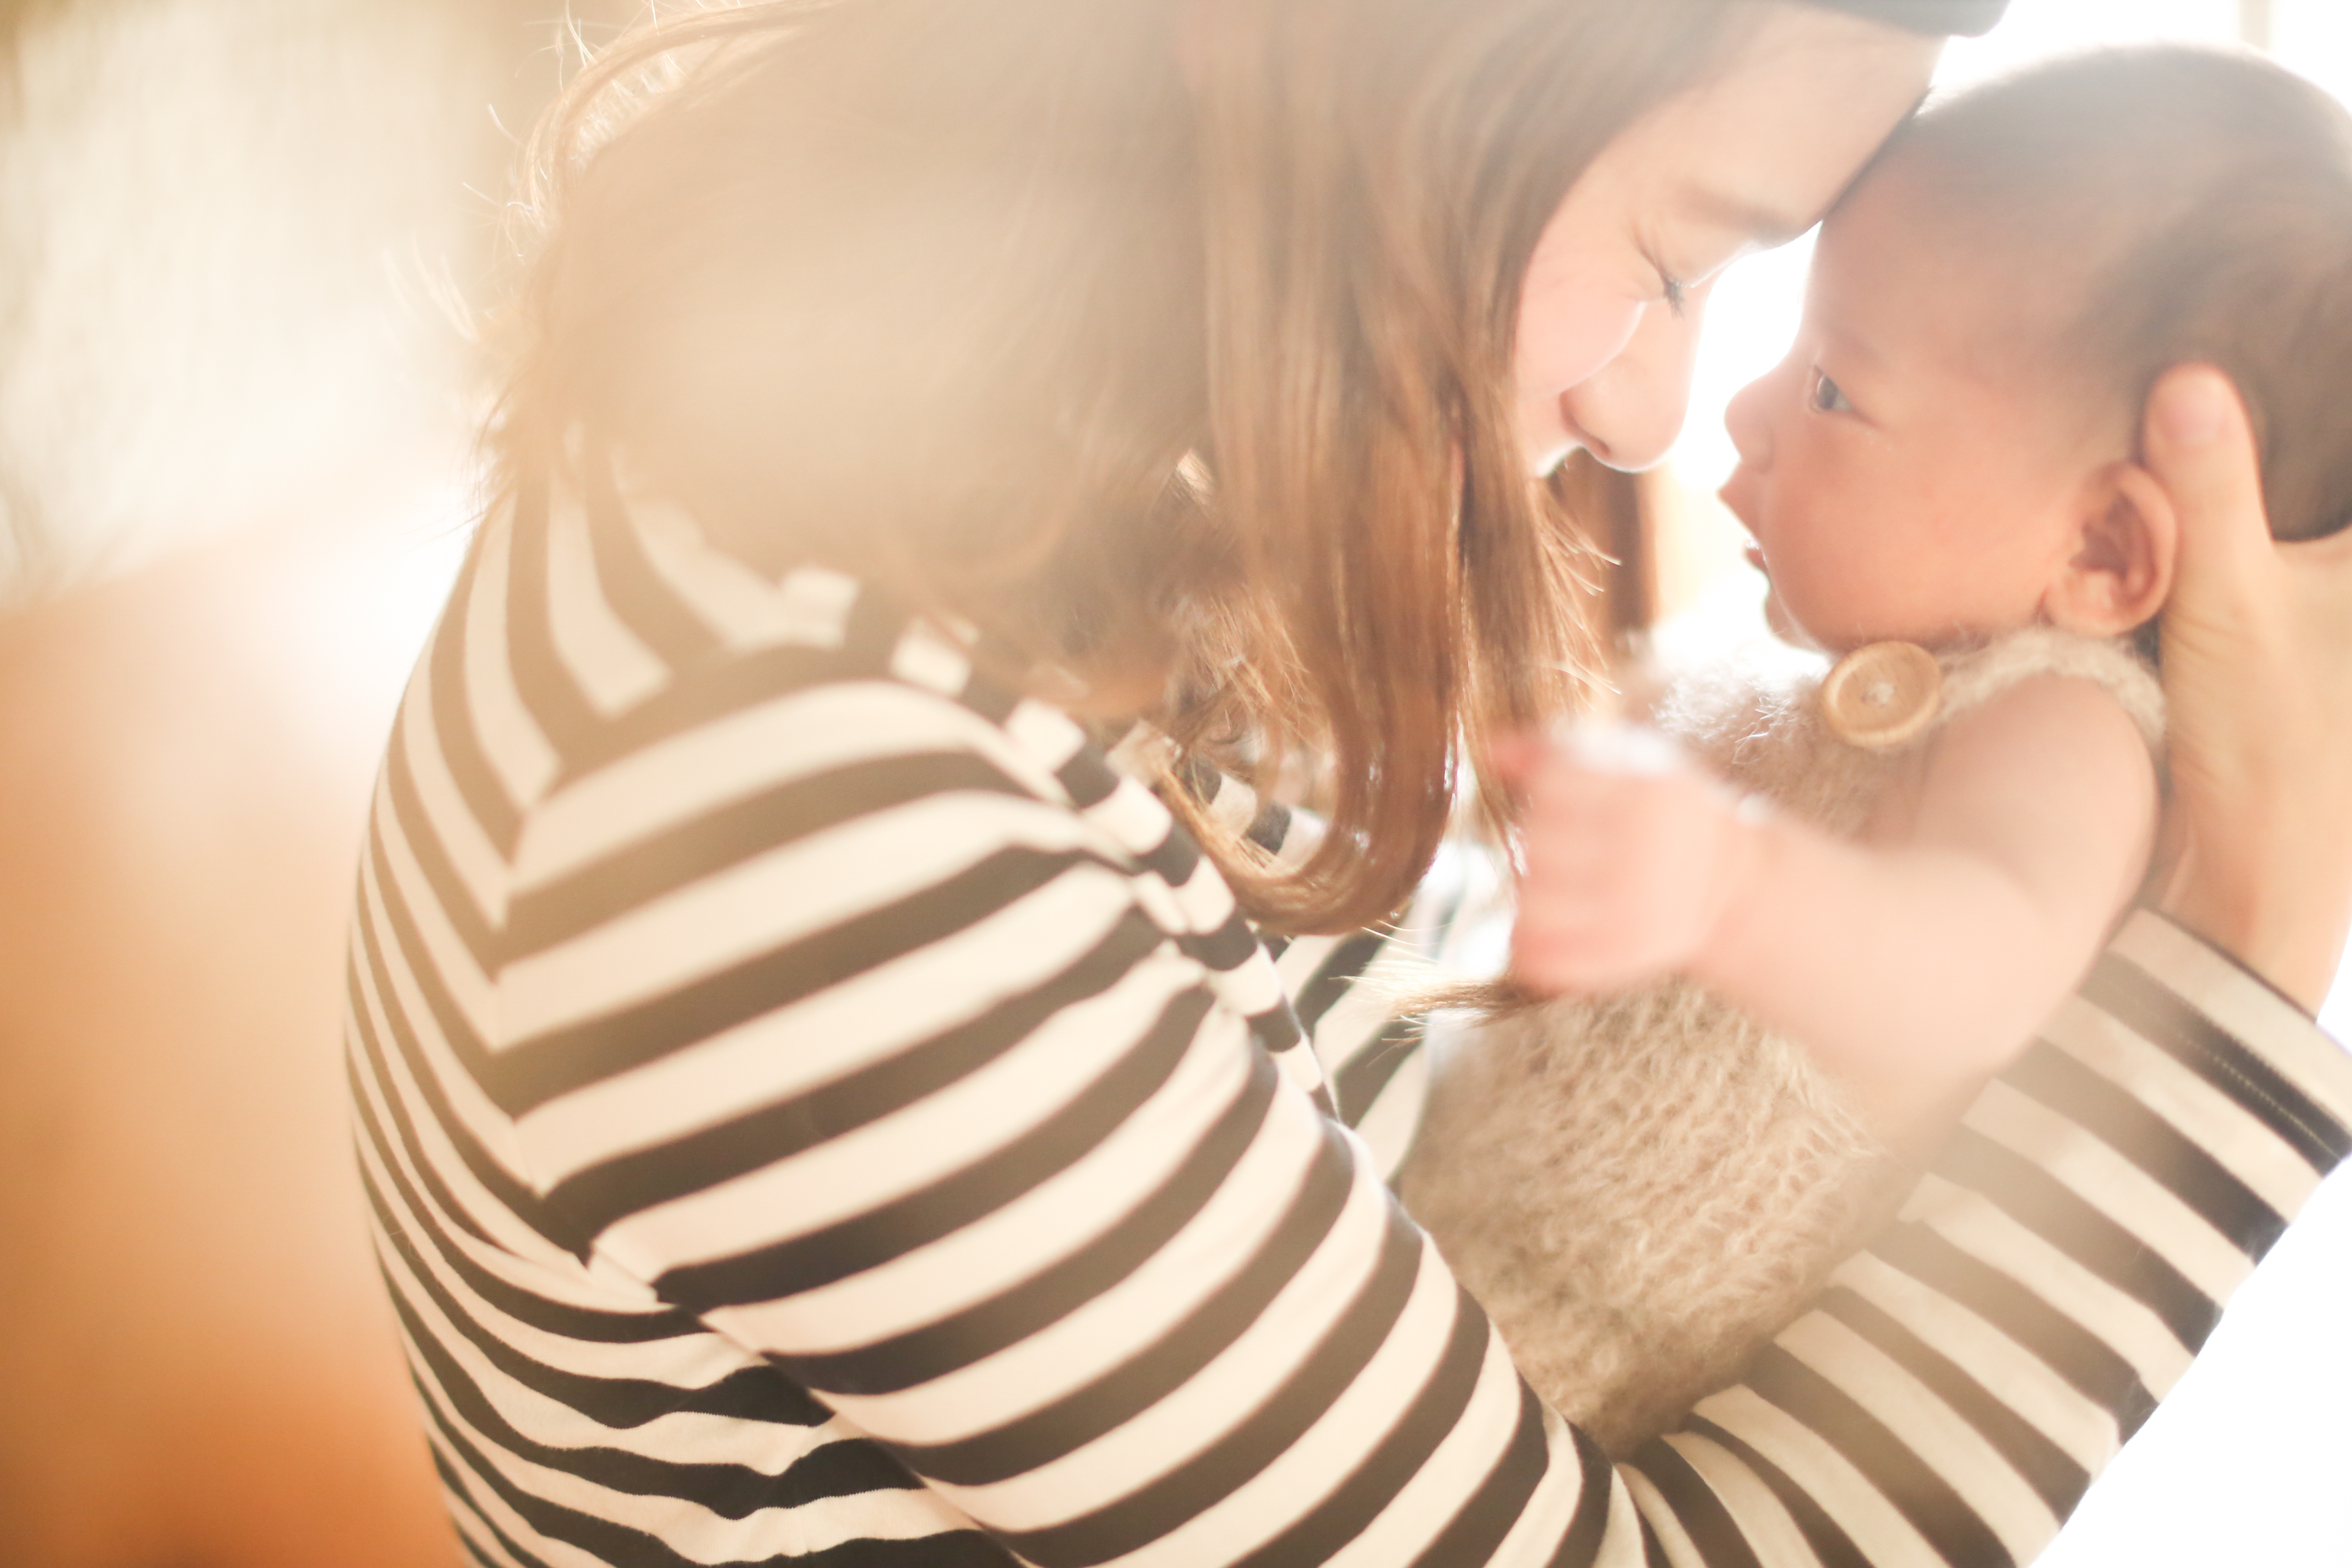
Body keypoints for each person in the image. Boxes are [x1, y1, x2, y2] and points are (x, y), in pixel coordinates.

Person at [345, 1, 2352, 1564]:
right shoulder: (817, 828)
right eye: (1676, 254)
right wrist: (2259, 929)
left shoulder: (1060, 467)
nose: (1658, 412)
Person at [1405, 42, 2352, 1461]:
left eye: (1836, 389)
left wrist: (1730, 891)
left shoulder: (2063, 727)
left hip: (1581, 1396)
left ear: (2102, 550)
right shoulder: (1827, 658)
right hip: (1443, 1259)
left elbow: (1972, 968)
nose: (1746, 410)